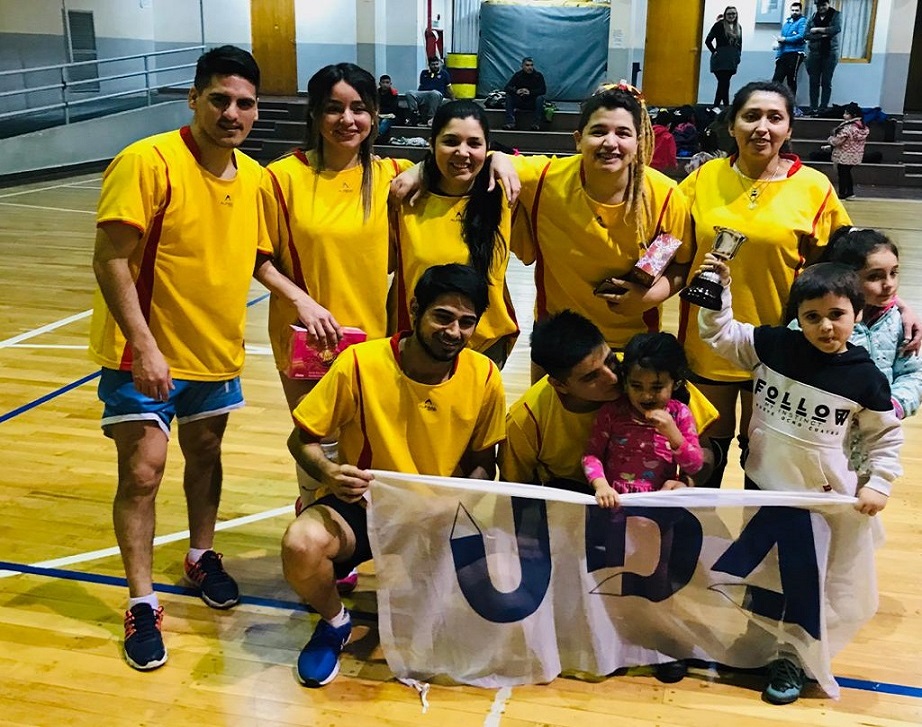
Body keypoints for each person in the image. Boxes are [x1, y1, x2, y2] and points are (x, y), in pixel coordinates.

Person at [89, 46, 265, 671]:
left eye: (244, 103)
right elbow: (110, 258)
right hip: (144, 357)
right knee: (143, 473)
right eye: (219, 99)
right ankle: (141, 601)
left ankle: (199, 555)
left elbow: (258, 256)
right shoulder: (148, 160)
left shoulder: (255, 177)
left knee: (206, 456)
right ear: (193, 98)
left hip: (215, 354)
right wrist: (144, 346)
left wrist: (299, 298)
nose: (231, 113)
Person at [281, 264, 506, 687]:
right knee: (301, 545)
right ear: (415, 310)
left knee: (476, 611)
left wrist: (455, 507)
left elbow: (484, 462)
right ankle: (335, 623)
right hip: (366, 506)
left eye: (466, 322)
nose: (454, 332)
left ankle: (429, 582)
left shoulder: (485, 375)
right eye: (442, 317)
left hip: (439, 514)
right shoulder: (359, 362)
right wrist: (330, 471)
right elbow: (301, 441)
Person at [697, 256, 903, 704]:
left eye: (836, 314)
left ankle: (795, 656)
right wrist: (718, 290)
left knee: (804, 584)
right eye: (812, 317)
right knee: (762, 575)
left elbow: (885, 436)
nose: (826, 326)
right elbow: (720, 333)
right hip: (762, 489)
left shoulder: (865, 378)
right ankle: (758, 642)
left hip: (817, 504)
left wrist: (879, 483)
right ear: (798, 318)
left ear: (856, 313)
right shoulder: (773, 346)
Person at [255, 63, 414, 594]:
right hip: (306, 338)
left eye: (359, 108)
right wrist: (302, 302)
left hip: (373, 340)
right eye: (333, 108)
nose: (347, 119)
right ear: (315, 114)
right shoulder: (281, 177)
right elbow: (258, 257)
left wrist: (500, 159)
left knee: (363, 446)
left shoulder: (394, 175)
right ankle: (316, 527)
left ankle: (351, 536)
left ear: (375, 114)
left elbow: (466, 163)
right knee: (316, 444)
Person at [678, 80, 850, 489]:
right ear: (732, 125)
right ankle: (697, 530)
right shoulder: (702, 179)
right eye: (751, 116)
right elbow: (667, 246)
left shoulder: (814, 187)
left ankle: (760, 534)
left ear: (788, 129)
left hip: (780, 347)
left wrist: (895, 306)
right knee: (703, 460)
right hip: (707, 342)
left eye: (775, 118)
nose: (762, 127)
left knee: (766, 463)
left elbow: (849, 264)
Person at [496, 82, 693, 381]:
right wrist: (496, 158)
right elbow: (486, 160)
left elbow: (681, 264)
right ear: (579, 139)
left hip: (632, 344)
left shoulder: (665, 196)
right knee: (551, 412)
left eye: (623, 133)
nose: (610, 143)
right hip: (559, 338)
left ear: (639, 143)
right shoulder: (546, 178)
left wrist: (651, 295)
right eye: (599, 132)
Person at [499, 310, 717, 495]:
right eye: (591, 377)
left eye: (610, 360)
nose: (613, 378)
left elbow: (706, 454)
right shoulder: (525, 419)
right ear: (560, 385)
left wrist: (686, 482)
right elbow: (515, 491)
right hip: (572, 502)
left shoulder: (644, 374)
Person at [392, 100, 518, 366]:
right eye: (450, 142)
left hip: (485, 345)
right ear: (431, 144)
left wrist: (500, 157)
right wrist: (420, 167)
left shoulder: (505, 194)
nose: (462, 152)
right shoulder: (406, 197)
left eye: (474, 143)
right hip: (419, 343)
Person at [582, 331, 703, 506]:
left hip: (660, 504)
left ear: (675, 383)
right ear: (626, 382)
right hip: (615, 502)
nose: (646, 396)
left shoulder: (680, 414)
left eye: (657, 387)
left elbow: (694, 466)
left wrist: (674, 435)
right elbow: (592, 455)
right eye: (636, 386)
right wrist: (602, 486)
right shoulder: (612, 412)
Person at [818, 226, 922, 422]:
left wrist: (892, 407)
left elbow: (913, 373)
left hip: (879, 428)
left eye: (894, 273)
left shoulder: (900, 321)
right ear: (847, 278)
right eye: (874, 276)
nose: (889, 284)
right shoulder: (819, 321)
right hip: (826, 425)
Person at [822, 102, 868, 200]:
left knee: (843, 174)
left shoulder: (847, 128)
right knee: (847, 173)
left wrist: (830, 140)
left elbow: (838, 141)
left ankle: (843, 193)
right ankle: (849, 192)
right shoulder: (862, 127)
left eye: (847, 113)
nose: (844, 115)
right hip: (855, 154)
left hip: (844, 154)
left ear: (853, 115)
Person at [805, 0, 842, 114]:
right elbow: (806, 35)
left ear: (828, 4)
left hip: (830, 53)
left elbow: (836, 29)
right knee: (813, 82)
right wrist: (823, 35)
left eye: (823, 5)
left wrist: (817, 30)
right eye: (818, 5)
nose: (821, 7)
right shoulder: (813, 17)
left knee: (826, 82)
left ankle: (823, 108)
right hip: (814, 53)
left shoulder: (835, 15)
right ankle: (813, 108)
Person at [705, 6, 743, 106]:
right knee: (724, 83)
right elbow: (708, 41)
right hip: (720, 59)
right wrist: (714, 51)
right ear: (725, 15)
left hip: (732, 60)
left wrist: (738, 56)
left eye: (733, 13)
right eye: (729, 14)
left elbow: (740, 44)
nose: (731, 16)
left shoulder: (738, 27)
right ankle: (726, 107)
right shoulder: (719, 25)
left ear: (736, 15)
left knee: (722, 84)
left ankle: (716, 106)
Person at [502, 57, 548, 131]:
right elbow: (507, 88)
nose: (530, 67)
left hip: (532, 102)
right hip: (520, 101)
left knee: (540, 98)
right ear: (522, 66)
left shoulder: (538, 76)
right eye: (527, 65)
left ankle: (536, 124)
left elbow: (543, 90)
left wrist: (530, 92)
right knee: (508, 96)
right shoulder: (518, 75)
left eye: (531, 65)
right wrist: (517, 91)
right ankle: (510, 123)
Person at [772, 2, 807, 97]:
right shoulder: (787, 23)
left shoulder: (802, 22)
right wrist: (778, 56)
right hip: (783, 54)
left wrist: (785, 39)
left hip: (795, 53)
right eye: (793, 10)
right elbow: (781, 41)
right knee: (776, 80)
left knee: (791, 80)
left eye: (797, 10)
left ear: (800, 11)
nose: (794, 12)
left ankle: (792, 104)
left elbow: (801, 36)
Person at [406, 55, 453, 126]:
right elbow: (421, 85)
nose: (435, 66)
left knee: (434, 93)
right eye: (433, 65)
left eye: (437, 64)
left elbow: (449, 88)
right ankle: (415, 115)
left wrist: (453, 99)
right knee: (409, 93)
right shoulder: (424, 73)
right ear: (429, 65)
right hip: (424, 93)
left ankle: (431, 118)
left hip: (437, 94)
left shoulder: (444, 73)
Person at [377, 74, 400, 139]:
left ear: (390, 84)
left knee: (385, 121)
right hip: (378, 115)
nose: (385, 84)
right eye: (383, 82)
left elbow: (393, 109)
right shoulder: (376, 93)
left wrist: (380, 110)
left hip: (391, 117)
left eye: (387, 82)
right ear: (380, 84)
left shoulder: (393, 94)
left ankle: (377, 136)